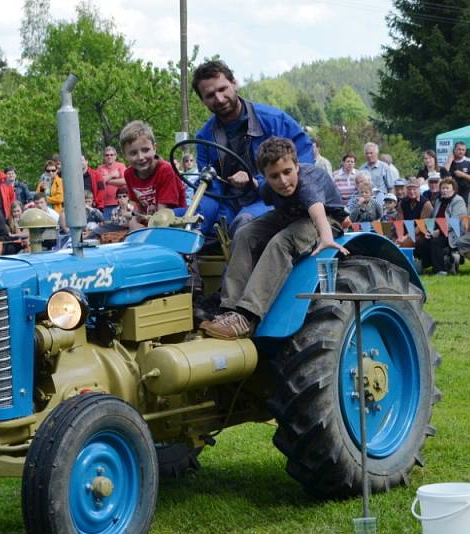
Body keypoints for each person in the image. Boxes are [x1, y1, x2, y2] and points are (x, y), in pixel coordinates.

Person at [199, 137, 347, 339]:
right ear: (265, 176)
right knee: (245, 233)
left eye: (287, 172)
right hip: (290, 215)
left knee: (281, 242)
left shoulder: (307, 181)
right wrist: (249, 181)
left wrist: (327, 237)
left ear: (296, 165)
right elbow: (259, 188)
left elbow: (316, 210)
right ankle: (229, 309)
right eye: (275, 176)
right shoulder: (268, 188)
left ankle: (247, 315)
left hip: (326, 220)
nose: (283, 181)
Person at [192, 60, 313, 236]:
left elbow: (304, 166)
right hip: (230, 204)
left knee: (244, 224)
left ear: (234, 83)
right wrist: (197, 216)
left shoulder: (275, 122)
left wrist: (256, 181)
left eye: (222, 89)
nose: (219, 99)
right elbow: (210, 187)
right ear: (203, 100)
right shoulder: (204, 138)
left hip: (274, 199)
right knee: (183, 223)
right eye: (210, 95)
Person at [120, 120, 186, 228]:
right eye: (133, 153)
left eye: (145, 150)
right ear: (125, 155)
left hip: (172, 224)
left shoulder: (166, 170)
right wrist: (133, 221)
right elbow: (136, 204)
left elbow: (162, 216)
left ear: (154, 148)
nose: (140, 157)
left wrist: (142, 229)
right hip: (149, 223)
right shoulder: (128, 174)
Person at [417, 177, 467, 275]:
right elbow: (432, 218)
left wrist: (439, 231)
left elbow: (455, 221)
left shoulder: (458, 201)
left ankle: (440, 270)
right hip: (437, 231)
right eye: (443, 188)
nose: (444, 190)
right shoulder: (438, 200)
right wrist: (429, 230)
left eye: (447, 188)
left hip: (453, 233)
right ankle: (426, 264)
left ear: (453, 189)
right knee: (422, 241)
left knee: (436, 242)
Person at [95, 146, 127, 218]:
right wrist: (112, 175)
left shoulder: (121, 166)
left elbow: (125, 181)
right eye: (107, 155)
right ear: (104, 157)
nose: (109, 157)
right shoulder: (100, 168)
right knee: (107, 226)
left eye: (111, 155)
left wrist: (106, 180)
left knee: (120, 225)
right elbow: (98, 183)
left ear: (115, 156)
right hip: (104, 205)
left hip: (120, 203)